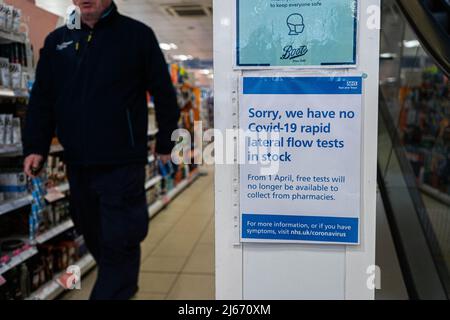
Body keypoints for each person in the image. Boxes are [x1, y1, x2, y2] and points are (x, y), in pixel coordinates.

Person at [23, 0, 180, 300]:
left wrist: (166, 142)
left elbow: (163, 93)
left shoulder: (137, 36)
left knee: (120, 241)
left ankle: (115, 289)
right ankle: (120, 285)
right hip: (78, 165)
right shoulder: (58, 42)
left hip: (122, 162)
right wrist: (36, 146)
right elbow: (42, 99)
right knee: (95, 235)